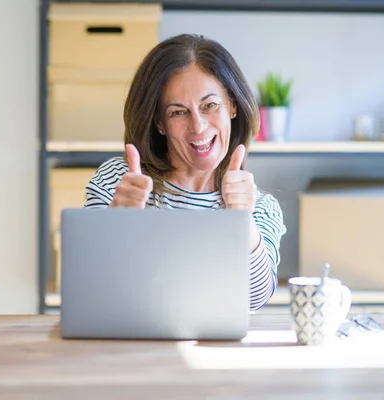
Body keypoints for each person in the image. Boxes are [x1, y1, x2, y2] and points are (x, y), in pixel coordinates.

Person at [84, 33, 286, 311]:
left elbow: (254, 300)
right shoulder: (119, 182)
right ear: (159, 122)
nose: (198, 127)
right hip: (129, 347)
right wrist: (115, 226)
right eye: (178, 112)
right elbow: (88, 287)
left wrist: (243, 221)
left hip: (214, 351)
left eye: (210, 106)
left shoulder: (260, 207)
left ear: (233, 105)